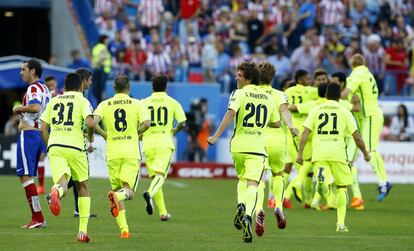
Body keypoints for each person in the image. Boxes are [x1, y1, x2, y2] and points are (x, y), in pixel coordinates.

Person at [207, 62, 280, 243]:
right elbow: (277, 123)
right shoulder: (268, 98)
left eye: (239, 75)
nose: (236, 78)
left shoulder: (238, 93)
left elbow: (231, 114)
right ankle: (248, 216)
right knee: (253, 184)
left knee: (242, 180)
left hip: (239, 146)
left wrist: (216, 136)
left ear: (248, 78)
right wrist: (262, 124)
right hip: (257, 148)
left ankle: (241, 205)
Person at [297, 83, 371, 232]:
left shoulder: (316, 110)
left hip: (320, 153)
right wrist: (365, 153)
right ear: (339, 96)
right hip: (338, 153)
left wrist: (300, 153)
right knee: (342, 187)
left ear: (325, 96)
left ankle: (321, 185)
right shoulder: (345, 111)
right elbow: (356, 135)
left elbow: (305, 133)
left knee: (323, 183)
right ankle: (340, 224)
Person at [40, 73, 95, 242]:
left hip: (56, 146)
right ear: (80, 87)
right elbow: (91, 123)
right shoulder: (83, 101)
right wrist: (91, 137)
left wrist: (50, 146)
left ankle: (56, 191)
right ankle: (82, 232)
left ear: (64, 87)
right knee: (83, 186)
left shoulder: (54, 100)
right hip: (76, 146)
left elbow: (42, 128)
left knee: (62, 182)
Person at [93, 74, 150, 238]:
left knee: (118, 190)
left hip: (112, 152)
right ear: (129, 88)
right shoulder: (137, 103)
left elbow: (92, 122)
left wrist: (103, 134)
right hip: (130, 152)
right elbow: (147, 123)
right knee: (128, 192)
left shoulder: (105, 104)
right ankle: (117, 197)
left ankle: (124, 230)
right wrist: (136, 132)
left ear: (113, 88)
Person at [255, 62, 298, 237]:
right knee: (278, 174)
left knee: (258, 178)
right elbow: (284, 111)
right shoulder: (279, 94)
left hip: (258, 138)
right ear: (273, 77)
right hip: (277, 139)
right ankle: (278, 205)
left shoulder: (252, 93)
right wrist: (291, 126)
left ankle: (258, 210)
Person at [341, 54, 392, 202]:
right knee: (364, 151)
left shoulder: (357, 74)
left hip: (370, 115)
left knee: (370, 149)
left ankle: (384, 182)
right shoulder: (367, 73)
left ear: (352, 64)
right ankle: (382, 182)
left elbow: (345, 93)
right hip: (371, 114)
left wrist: (333, 98)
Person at [141, 74, 186, 221]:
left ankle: (163, 212)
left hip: (148, 144)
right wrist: (173, 131)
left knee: (155, 177)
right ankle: (149, 194)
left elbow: (140, 123)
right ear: (166, 86)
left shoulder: (144, 102)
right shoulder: (172, 102)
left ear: (152, 86)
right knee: (160, 177)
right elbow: (182, 123)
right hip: (164, 143)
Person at [13, 58, 50, 229]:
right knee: (28, 176)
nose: (21, 73)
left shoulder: (34, 88)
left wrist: (18, 108)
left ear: (32, 71)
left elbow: (34, 108)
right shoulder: (45, 89)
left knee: (25, 176)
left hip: (28, 134)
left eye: (23, 69)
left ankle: (38, 217)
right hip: (37, 135)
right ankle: (38, 217)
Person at [284, 69, 318, 208]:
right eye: (306, 78)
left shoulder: (287, 92)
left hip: (292, 130)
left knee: (305, 166)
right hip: (306, 130)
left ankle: (308, 201)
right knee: (306, 166)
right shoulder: (309, 91)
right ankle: (288, 194)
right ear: (300, 80)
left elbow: (284, 107)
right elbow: (323, 91)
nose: (309, 80)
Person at [332, 72, 365, 210]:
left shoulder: (351, 96)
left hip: (351, 137)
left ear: (343, 83)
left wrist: (356, 101)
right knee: (338, 167)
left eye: (336, 81)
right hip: (339, 138)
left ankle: (357, 197)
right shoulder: (335, 98)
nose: (333, 84)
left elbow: (358, 109)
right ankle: (335, 200)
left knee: (347, 165)